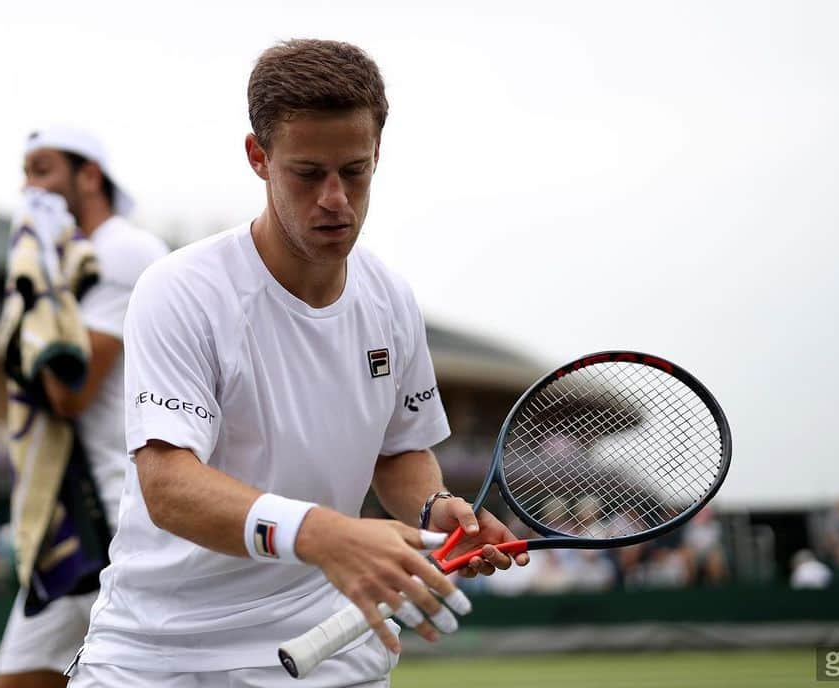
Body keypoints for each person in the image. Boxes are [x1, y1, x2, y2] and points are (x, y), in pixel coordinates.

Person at [67, 39, 528, 688]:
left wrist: (435, 508)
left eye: (355, 171)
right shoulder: (181, 289)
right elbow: (168, 485)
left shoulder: (391, 298)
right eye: (308, 173)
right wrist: (322, 534)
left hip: (334, 650)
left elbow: (398, 454)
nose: (336, 198)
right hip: (160, 656)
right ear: (259, 158)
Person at [0, 126, 169, 688]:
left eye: (42, 169)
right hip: (78, 514)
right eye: (26, 171)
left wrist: (39, 282)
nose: (29, 187)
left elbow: (70, 392)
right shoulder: (81, 257)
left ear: (89, 176)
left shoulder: (120, 251)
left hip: (117, 520)